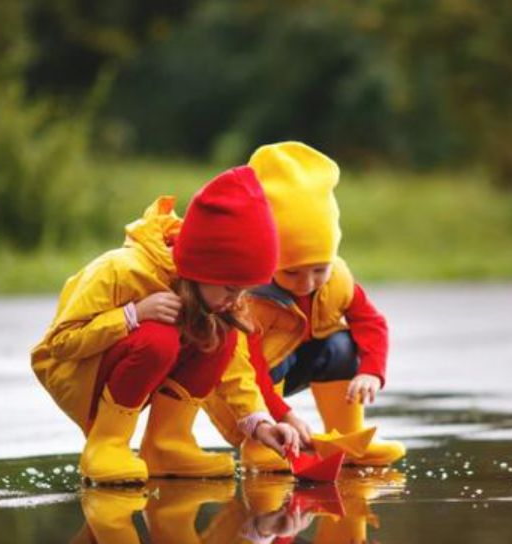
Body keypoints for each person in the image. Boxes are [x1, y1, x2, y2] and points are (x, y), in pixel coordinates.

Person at [31, 166, 299, 484]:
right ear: (202, 270)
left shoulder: (217, 298)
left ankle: (166, 446)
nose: (235, 298)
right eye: (230, 288)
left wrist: (260, 423)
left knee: (221, 337)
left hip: (129, 365)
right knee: (159, 338)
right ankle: (106, 446)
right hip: (78, 371)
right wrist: (132, 314)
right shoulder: (120, 270)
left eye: (244, 290)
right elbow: (59, 343)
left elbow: (236, 370)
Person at [204, 142, 405, 472]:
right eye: (292, 272)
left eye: (318, 269)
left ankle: (348, 438)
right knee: (275, 360)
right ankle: (264, 444)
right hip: (248, 390)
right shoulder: (249, 298)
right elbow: (250, 372)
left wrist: (371, 370)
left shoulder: (337, 278)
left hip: (296, 361)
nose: (307, 283)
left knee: (343, 346)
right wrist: (283, 416)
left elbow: (372, 322)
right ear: (270, 258)